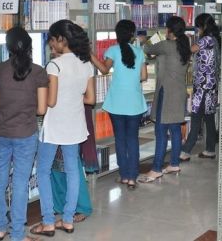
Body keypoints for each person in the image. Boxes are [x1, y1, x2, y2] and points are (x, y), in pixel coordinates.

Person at [30, 20, 95, 236]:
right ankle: (68, 220)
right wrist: (73, 97)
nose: (50, 44)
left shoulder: (54, 65)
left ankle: (48, 220)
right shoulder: (86, 64)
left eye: (51, 39)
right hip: (76, 125)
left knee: (43, 170)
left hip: (55, 126)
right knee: (73, 171)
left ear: (61, 40)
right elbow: (90, 98)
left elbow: (51, 101)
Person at [0, 27, 49, 241]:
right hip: (25, 133)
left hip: (0, 133)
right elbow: (42, 109)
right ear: (30, 47)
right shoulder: (39, 72)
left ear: (8, 47)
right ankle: (17, 234)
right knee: (20, 183)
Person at [91, 19, 148, 189]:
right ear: (132, 35)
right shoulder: (139, 52)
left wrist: (90, 55)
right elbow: (144, 77)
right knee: (133, 139)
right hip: (135, 103)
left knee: (120, 140)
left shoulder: (113, 50)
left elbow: (103, 70)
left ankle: (124, 175)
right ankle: (132, 177)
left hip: (116, 103)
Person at [139, 16, 191, 182]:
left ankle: (156, 169)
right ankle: (174, 163)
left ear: (169, 30)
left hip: (166, 92)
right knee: (175, 130)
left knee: (160, 131)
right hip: (179, 92)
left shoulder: (166, 45)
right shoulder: (185, 45)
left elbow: (147, 49)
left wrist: (143, 40)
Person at [180, 13, 220, 161]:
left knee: (196, 116)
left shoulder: (206, 40)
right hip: (211, 85)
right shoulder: (214, 39)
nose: (197, 29)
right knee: (209, 118)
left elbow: (191, 50)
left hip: (203, 85)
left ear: (202, 26)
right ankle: (210, 149)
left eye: (198, 26)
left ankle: (185, 151)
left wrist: (181, 42)